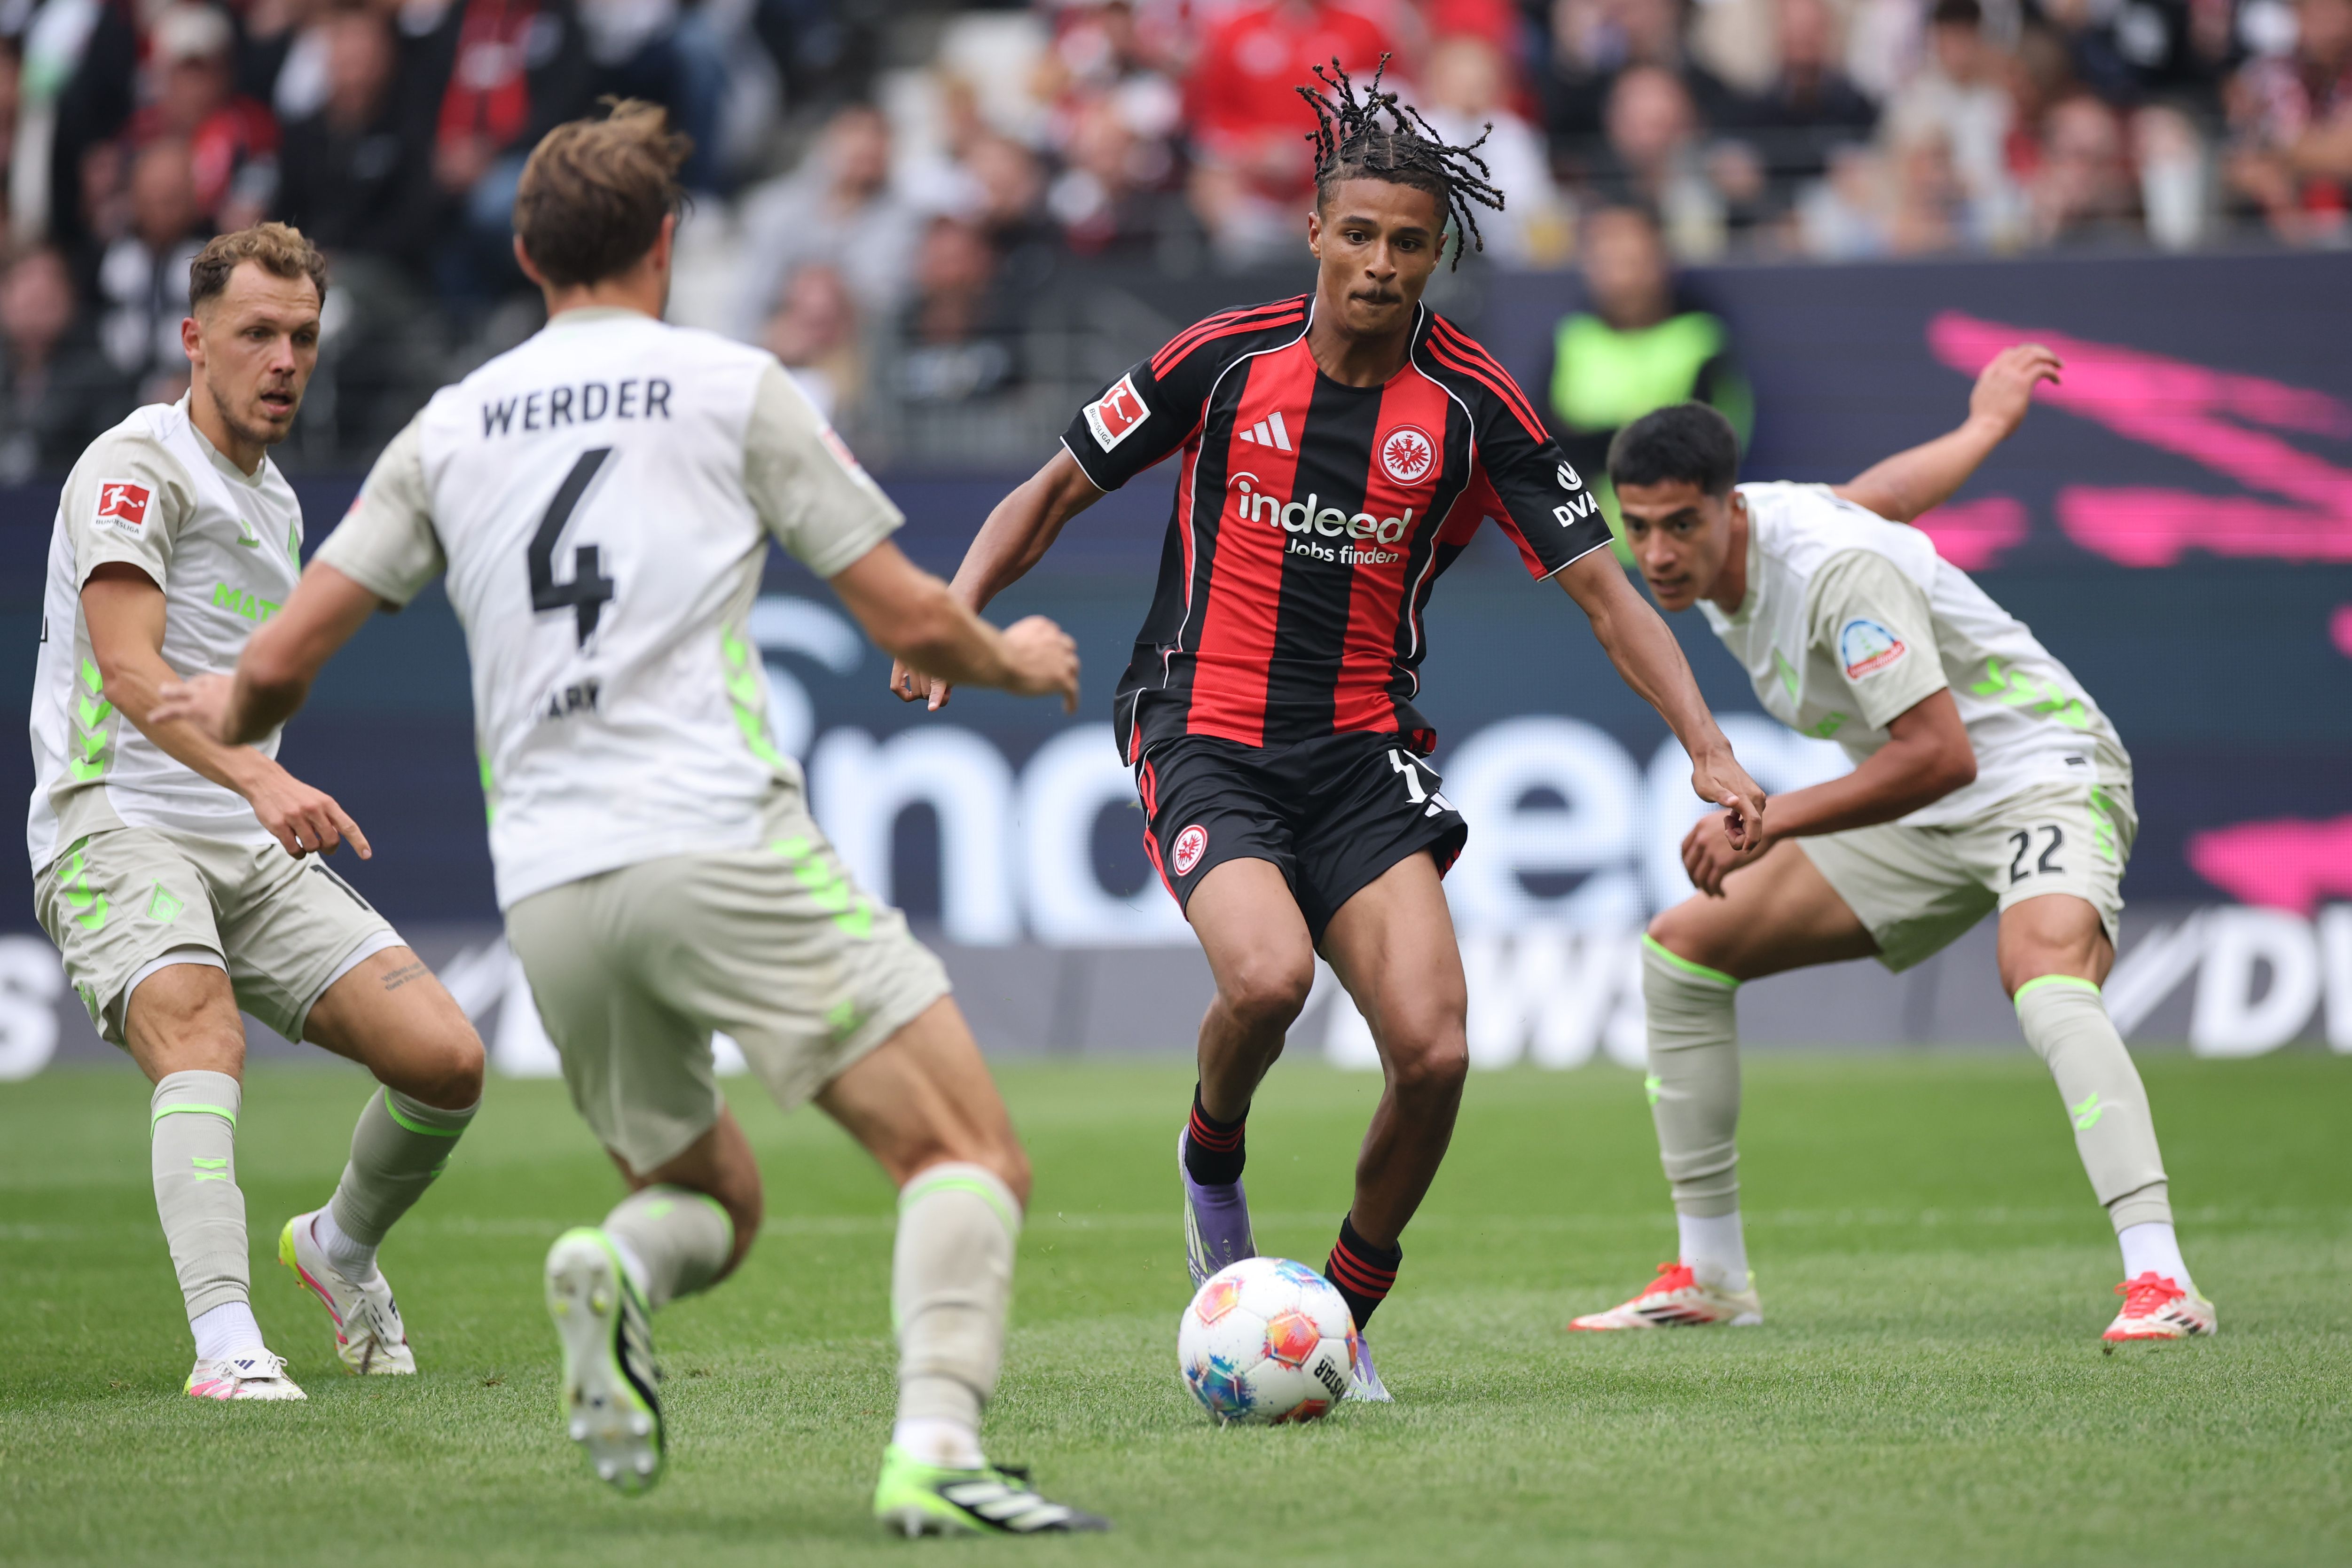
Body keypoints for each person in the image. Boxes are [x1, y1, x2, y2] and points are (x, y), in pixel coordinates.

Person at [154, 104, 1107, 1536]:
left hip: (551, 892)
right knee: (967, 1153)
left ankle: (615, 1266)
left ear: (526, 253)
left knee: (703, 1196)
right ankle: (937, 1451)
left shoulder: (449, 428)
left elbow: (279, 664)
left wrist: (209, 711)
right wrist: (1013, 657)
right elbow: (908, 614)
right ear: (664, 245)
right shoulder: (730, 385)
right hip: (716, 838)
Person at [896, 61, 1766, 1400]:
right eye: (1356, 234)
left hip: (1361, 756)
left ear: (1436, 255)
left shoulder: (1475, 408)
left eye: (1407, 244)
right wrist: (952, 617)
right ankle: (1211, 1159)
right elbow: (1050, 491)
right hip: (1200, 727)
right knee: (1265, 981)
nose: (1378, 264)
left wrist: (1706, 744)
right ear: (1312, 229)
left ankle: (1339, 1321)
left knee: (1434, 1052)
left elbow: (1604, 593)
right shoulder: (1219, 360)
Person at [1571, 348, 2215, 1347]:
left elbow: (1942, 755)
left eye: (1680, 525)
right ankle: (1712, 1276)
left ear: (1729, 508)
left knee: (2042, 976)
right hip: (1919, 805)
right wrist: (1984, 427)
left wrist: (1772, 819)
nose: (1655, 554)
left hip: (2038, 769)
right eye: (1638, 526)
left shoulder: (1835, 574)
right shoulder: (1765, 534)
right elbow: (1884, 496)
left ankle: (2160, 1277)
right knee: (1683, 952)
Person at [26, 223, 488, 1402]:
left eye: (303, 338)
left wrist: (255, 775)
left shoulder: (276, 503)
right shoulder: (137, 465)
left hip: (245, 841)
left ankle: (338, 1247)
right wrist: (261, 777)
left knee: (447, 1061)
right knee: (202, 1031)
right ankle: (227, 1346)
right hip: (114, 819)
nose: (284, 361)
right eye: (257, 334)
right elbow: (129, 671)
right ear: (195, 339)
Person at [1537, 204, 1750, 517]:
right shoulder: (1571, 336)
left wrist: (1590, 441)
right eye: (1605, 259)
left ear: (1662, 260)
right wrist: (1640, 433)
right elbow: (1542, 446)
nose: (1620, 277)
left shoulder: (1703, 340)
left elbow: (1695, 453)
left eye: (1631, 259)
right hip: (1582, 537)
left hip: (1677, 537)